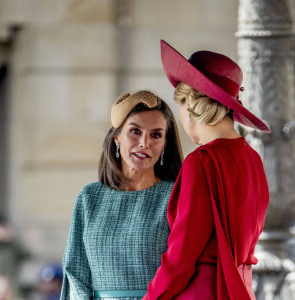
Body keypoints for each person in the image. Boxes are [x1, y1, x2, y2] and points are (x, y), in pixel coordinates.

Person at [143, 40, 271, 300]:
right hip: (242, 291)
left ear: (189, 108)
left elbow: (181, 258)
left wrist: (150, 298)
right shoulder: (254, 160)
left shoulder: (202, 161)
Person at [60, 90, 183, 299]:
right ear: (117, 137)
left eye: (156, 135)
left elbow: (183, 269)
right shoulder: (89, 198)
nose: (145, 143)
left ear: (164, 145)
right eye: (135, 131)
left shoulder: (176, 196)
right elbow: (75, 272)